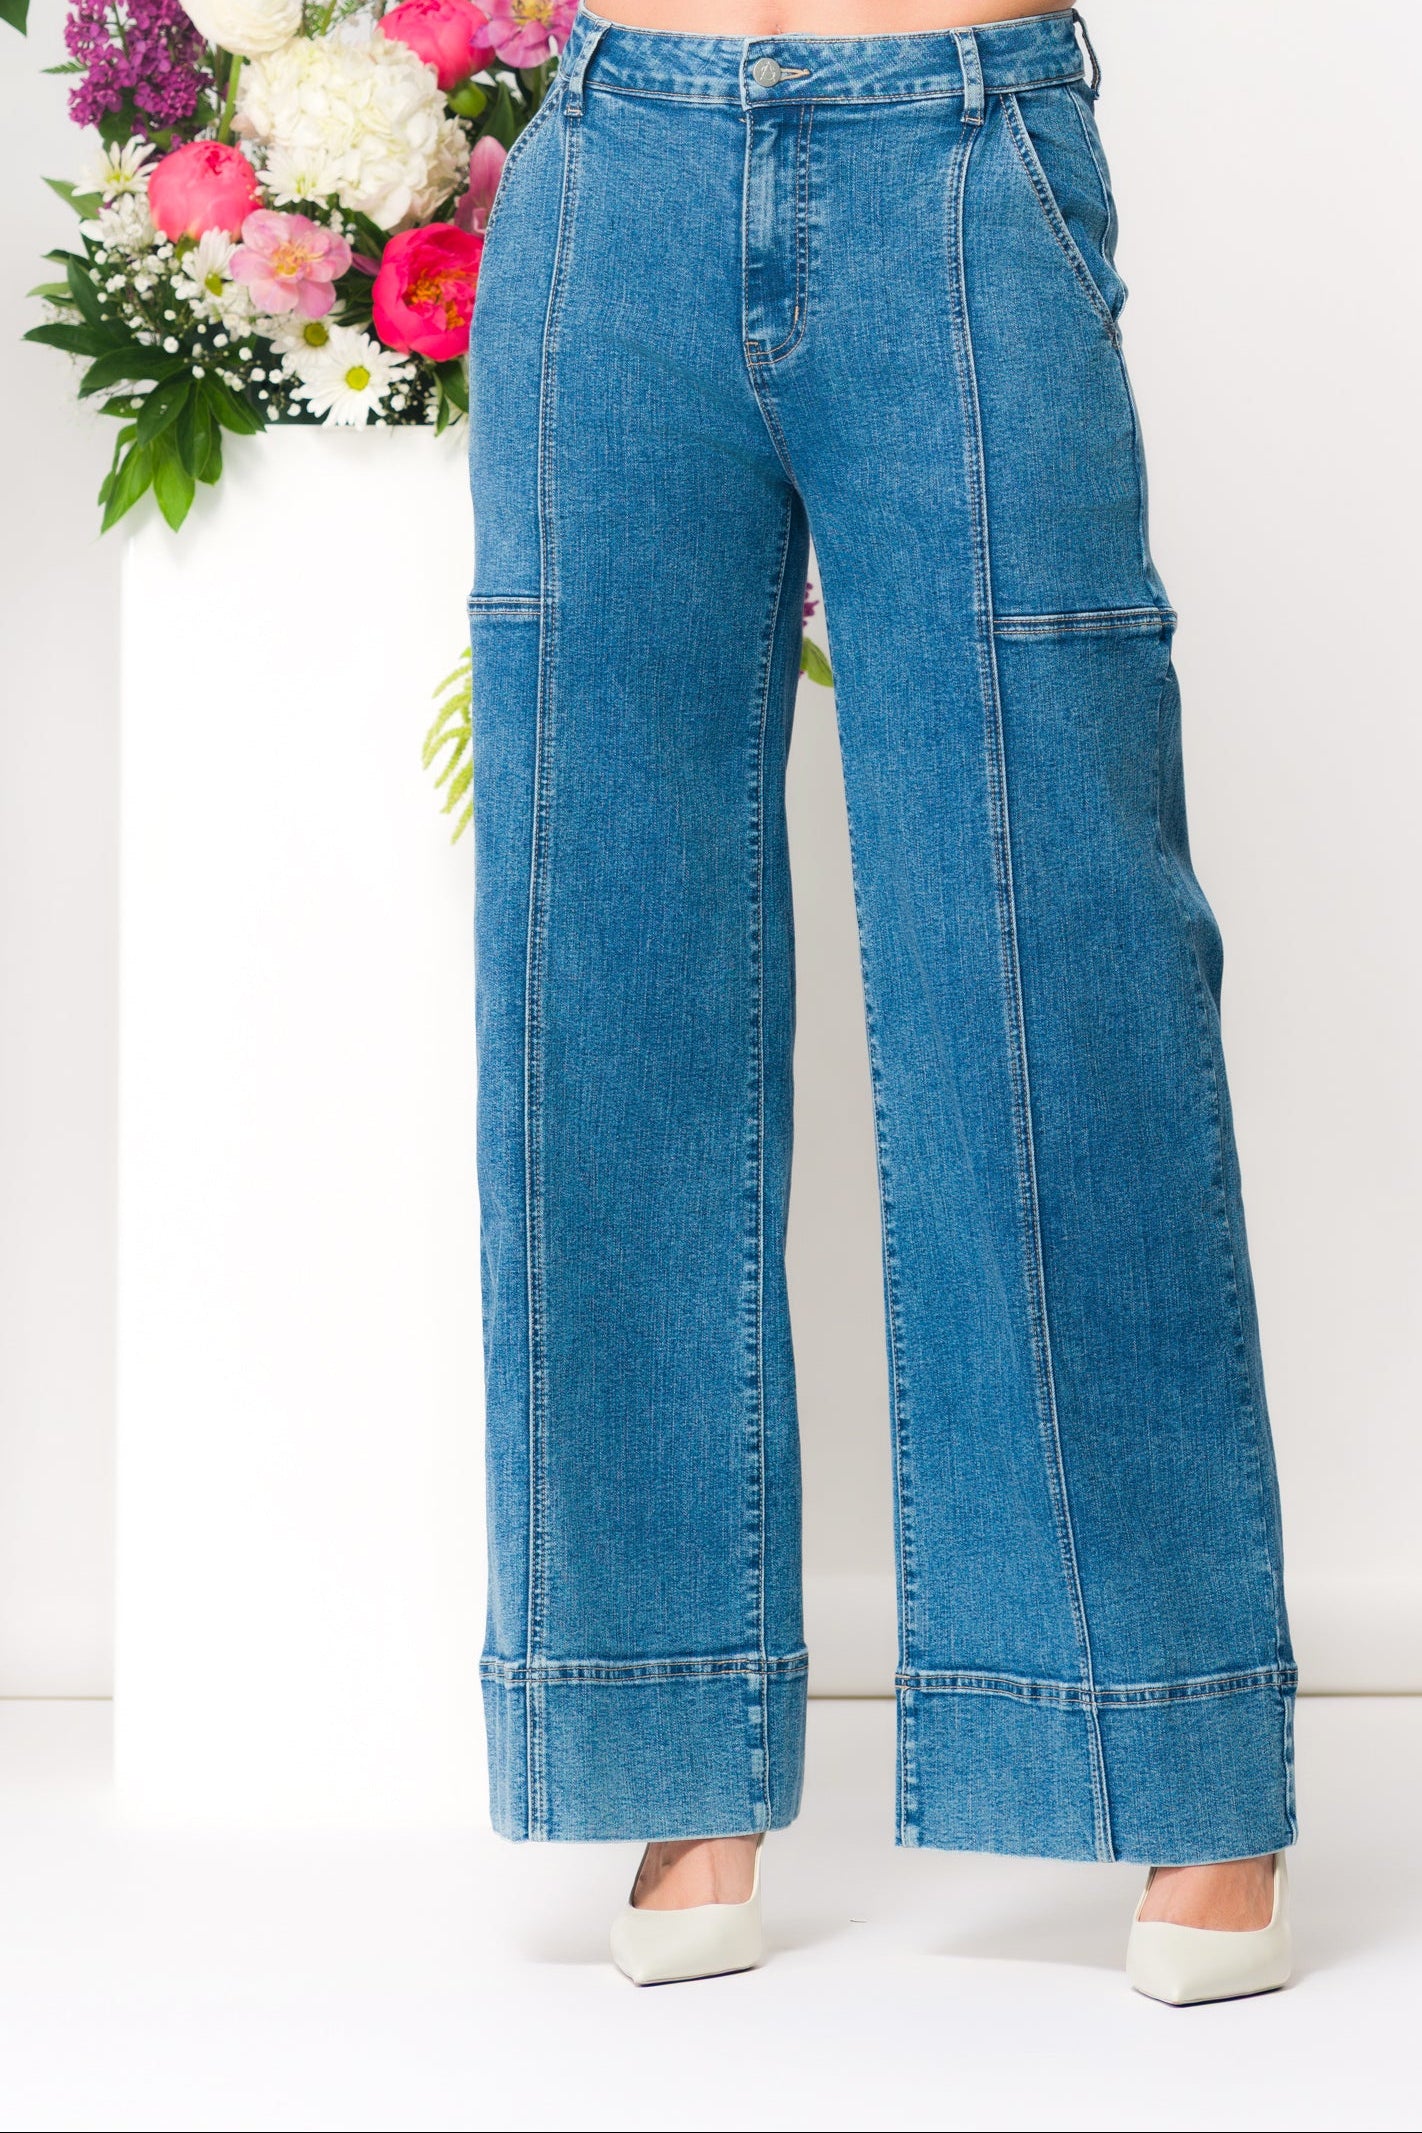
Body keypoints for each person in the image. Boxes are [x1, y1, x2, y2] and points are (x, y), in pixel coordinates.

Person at [466, 1, 1295, 2004]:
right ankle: (670, 1737)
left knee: (1056, 953)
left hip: (959, 152)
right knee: (607, 975)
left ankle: (1170, 1735)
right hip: (610, 165)